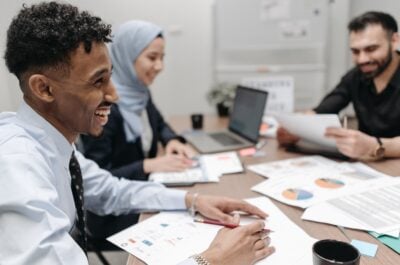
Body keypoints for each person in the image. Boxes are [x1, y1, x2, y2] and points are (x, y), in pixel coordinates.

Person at [0, 2, 275, 265]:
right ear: (44, 89)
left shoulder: (53, 143)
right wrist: (212, 261)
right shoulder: (18, 168)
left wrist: (194, 200)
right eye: (98, 81)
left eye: (110, 76)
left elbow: (110, 191)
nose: (114, 93)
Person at [80, 20, 196, 240]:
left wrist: (171, 140)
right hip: (111, 212)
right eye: (152, 58)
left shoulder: (139, 92)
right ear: (127, 55)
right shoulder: (104, 107)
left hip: (142, 190)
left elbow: (160, 123)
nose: (159, 66)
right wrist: (147, 165)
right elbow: (98, 178)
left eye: (162, 58)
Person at [277, 11, 400, 160]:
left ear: (394, 41)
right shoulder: (355, 76)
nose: (362, 59)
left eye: (371, 49)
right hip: (368, 165)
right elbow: (322, 111)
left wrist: (375, 145)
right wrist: (295, 129)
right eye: (355, 51)